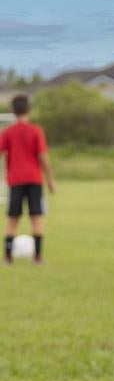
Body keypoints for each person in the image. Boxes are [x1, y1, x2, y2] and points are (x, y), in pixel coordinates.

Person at [0, 94, 55, 265]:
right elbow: (43, 156)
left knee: (12, 218)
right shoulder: (36, 130)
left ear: (13, 111)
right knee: (36, 217)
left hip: (15, 180)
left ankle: (7, 258)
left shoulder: (8, 131)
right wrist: (50, 179)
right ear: (29, 110)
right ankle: (37, 257)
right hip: (34, 180)